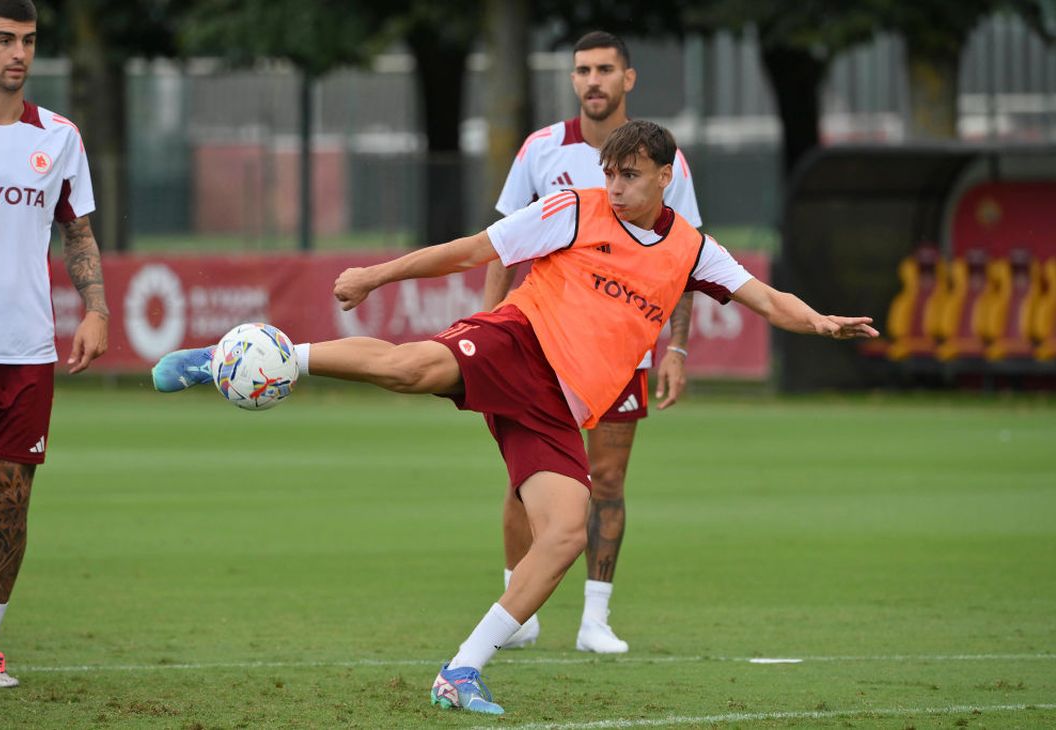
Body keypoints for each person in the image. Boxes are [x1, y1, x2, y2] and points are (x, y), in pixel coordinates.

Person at [152, 120, 877, 715]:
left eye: (629, 174)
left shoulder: (693, 249)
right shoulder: (574, 209)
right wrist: (377, 275)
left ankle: (460, 671)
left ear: (665, 176)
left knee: (564, 533)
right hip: (519, 342)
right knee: (410, 370)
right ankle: (235, 356)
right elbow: (473, 249)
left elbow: (764, 297)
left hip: (561, 408)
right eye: (610, 172)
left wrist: (820, 323)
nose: (615, 185)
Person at [487, 31, 703, 653]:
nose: (593, 81)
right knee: (523, 481)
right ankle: (519, 610)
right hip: (541, 345)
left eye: (605, 69)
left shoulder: (669, 164)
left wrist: (677, 350)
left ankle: (595, 620)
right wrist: (488, 319)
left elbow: (685, 260)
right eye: (583, 70)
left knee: (606, 480)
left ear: (628, 79)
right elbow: (502, 242)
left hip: (621, 352)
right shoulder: (540, 149)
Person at [0, 0, 109, 689]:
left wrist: (95, 308)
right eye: (4, 39)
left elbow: (77, 233)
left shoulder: (59, 137)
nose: (18, 53)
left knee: (11, 506)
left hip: (24, 349)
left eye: (27, 40)